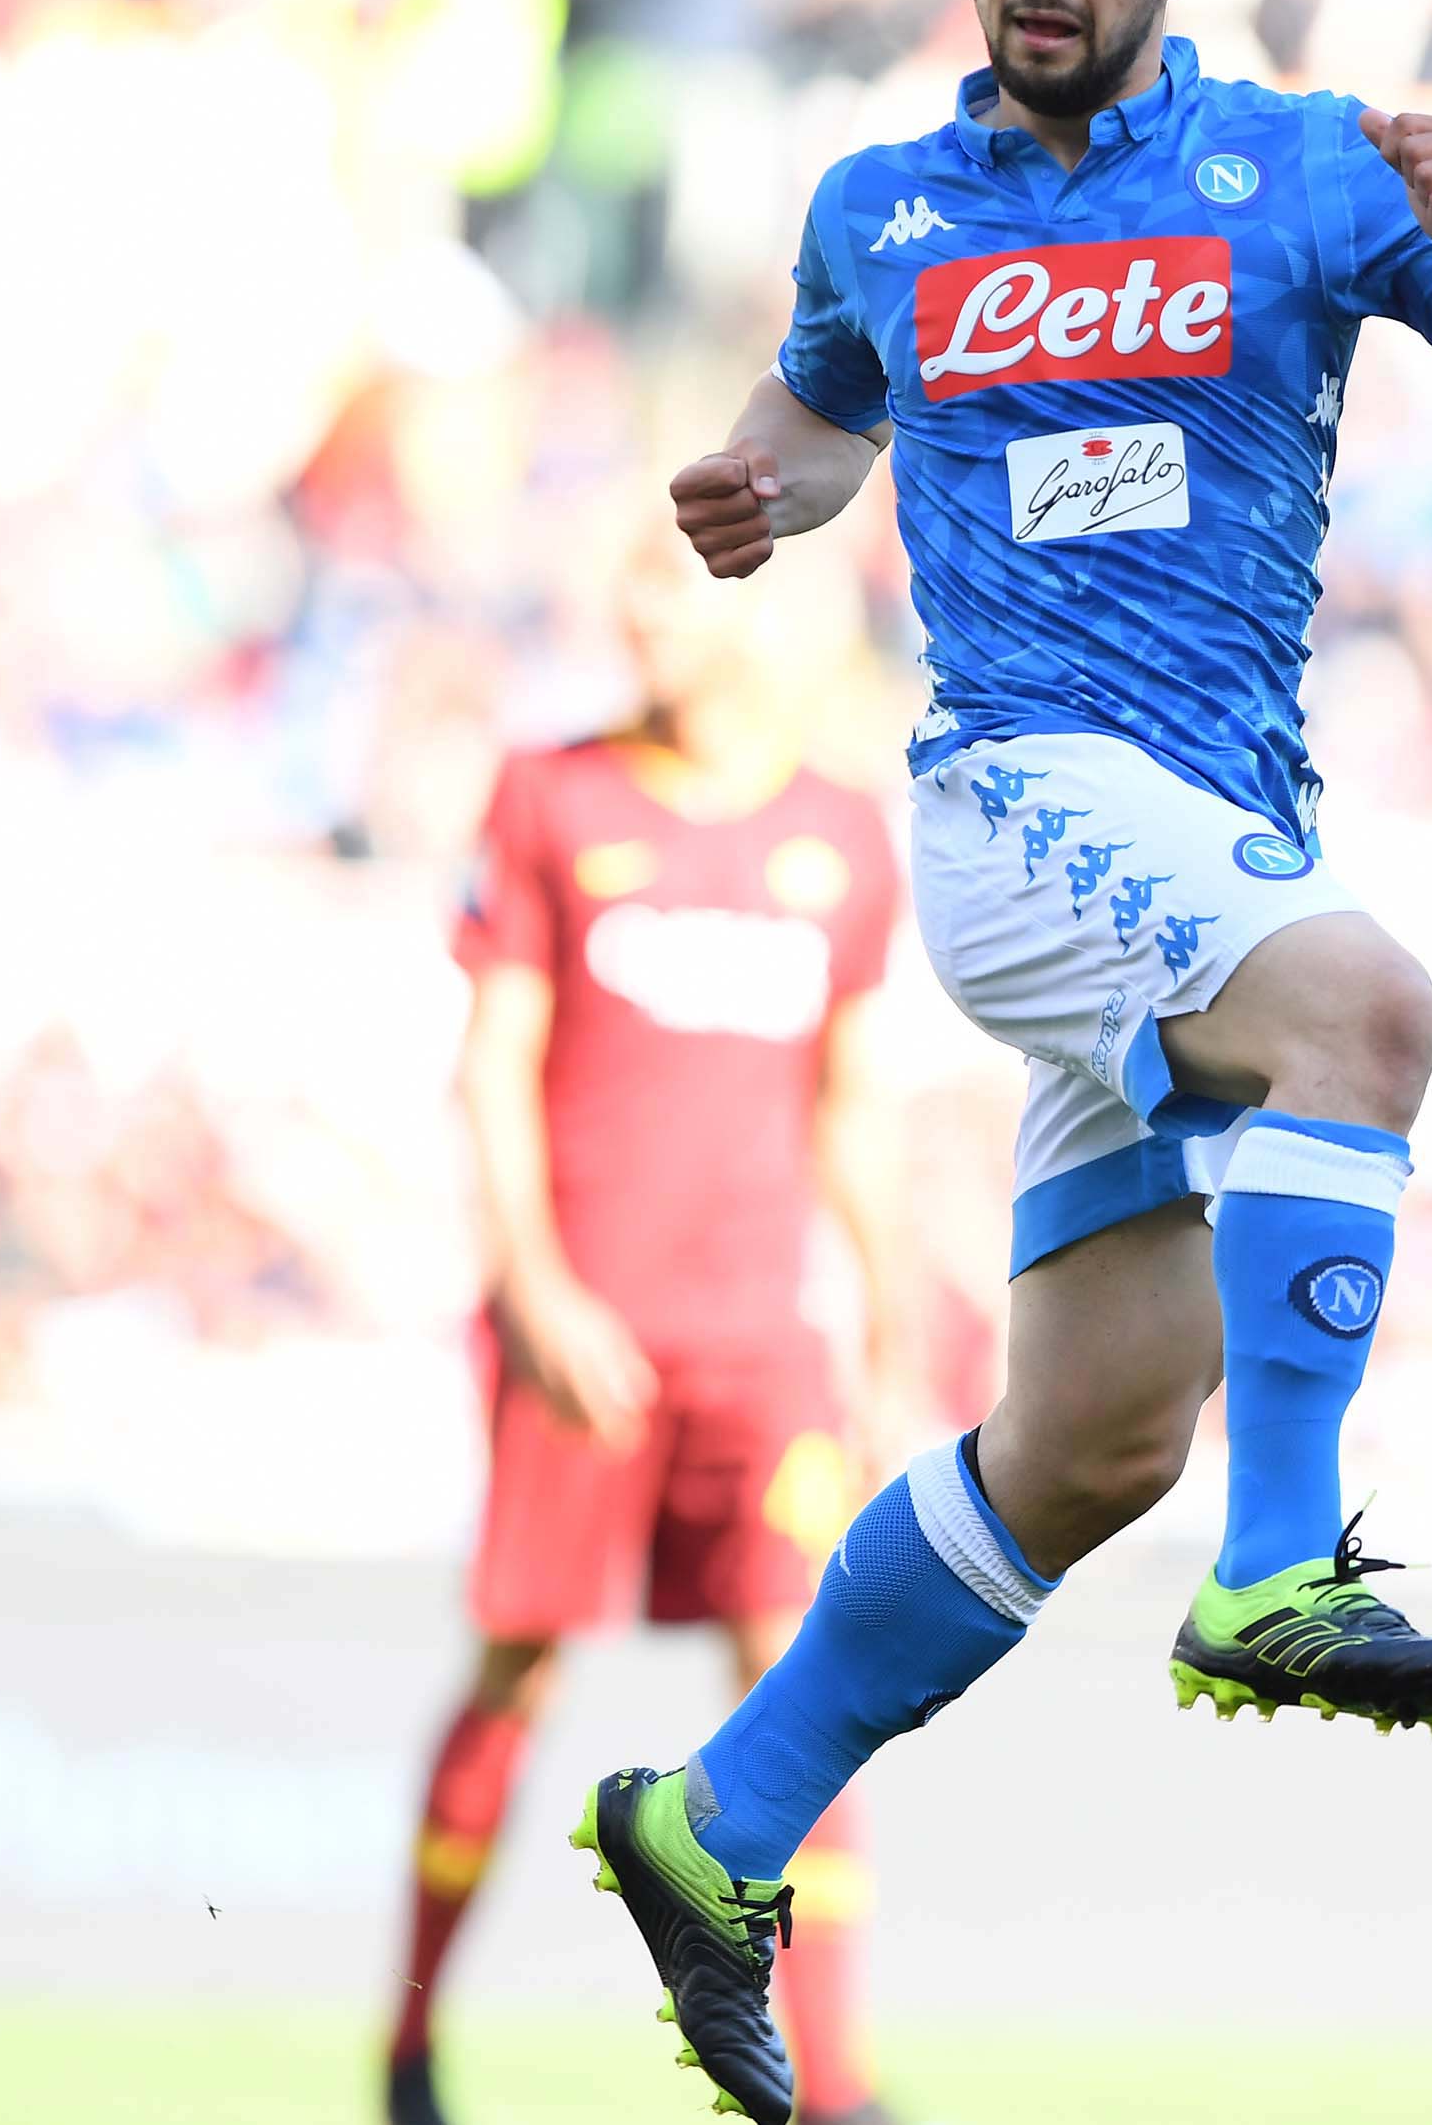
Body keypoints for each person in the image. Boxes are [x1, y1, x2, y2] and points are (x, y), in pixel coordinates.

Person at [573, 0, 1432, 2124]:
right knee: (1366, 1006)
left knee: (1082, 1441)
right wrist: (766, 484)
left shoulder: (1306, 172)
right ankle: (1287, 1567)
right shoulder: (883, 200)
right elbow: (824, 410)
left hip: (1192, 837)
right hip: (1019, 808)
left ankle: (714, 1813)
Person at [394, 527, 915, 2125]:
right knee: (519, 1665)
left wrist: (889, 1323)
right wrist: (536, 1286)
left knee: (807, 1675)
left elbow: (848, 1104)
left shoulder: (841, 835)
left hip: (761, 1347)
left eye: (666, 579)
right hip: (584, 1341)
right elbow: (491, 1065)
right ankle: (410, 2047)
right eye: (623, 576)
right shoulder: (551, 796)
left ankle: (835, 2090)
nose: (632, 608)